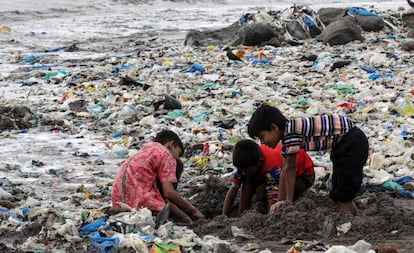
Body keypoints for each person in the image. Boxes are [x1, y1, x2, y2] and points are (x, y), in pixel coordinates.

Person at [247, 104, 369, 215]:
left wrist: (288, 202)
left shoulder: (291, 133)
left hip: (351, 143)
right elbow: (285, 169)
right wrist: (281, 200)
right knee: (338, 193)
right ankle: (355, 220)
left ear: (274, 128)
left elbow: (290, 169)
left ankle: (351, 225)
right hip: (343, 144)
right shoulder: (289, 134)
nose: (262, 142)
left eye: (262, 137)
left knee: (343, 195)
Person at [111, 130, 205, 224]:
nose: (177, 158)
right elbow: (168, 193)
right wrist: (193, 211)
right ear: (171, 144)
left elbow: (162, 196)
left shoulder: (145, 151)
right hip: (141, 207)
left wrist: (184, 217)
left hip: (118, 205)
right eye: (178, 153)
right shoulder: (166, 155)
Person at [222, 139, 314, 217]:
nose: (243, 173)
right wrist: (224, 216)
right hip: (276, 171)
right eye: (241, 170)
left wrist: (270, 215)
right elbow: (233, 189)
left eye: (246, 170)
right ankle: (241, 213)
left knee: (263, 192)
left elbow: (273, 196)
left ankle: (302, 193)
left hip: (303, 175)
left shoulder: (271, 167)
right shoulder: (246, 161)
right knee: (247, 180)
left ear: (259, 163)